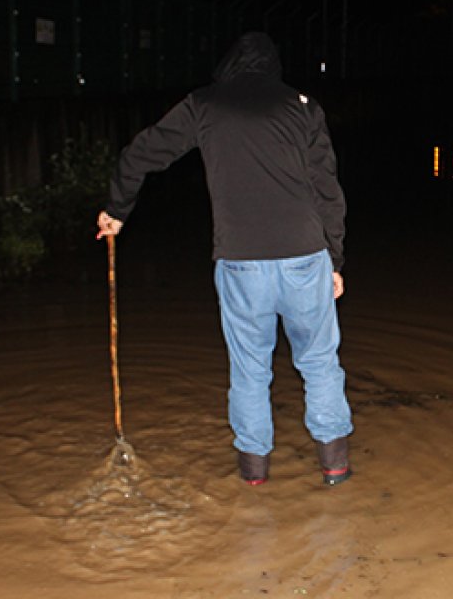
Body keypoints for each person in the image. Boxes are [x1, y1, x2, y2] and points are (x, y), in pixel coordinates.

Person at [95, 32, 353, 487]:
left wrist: (117, 210)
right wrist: (334, 258)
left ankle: (254, 475)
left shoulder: (204, 105)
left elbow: (141, 153)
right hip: (304, 258)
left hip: (240, 263)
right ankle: (335, 467)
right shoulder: (303, 106)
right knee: (319, 362)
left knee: (250, 368)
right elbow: (327, 189)